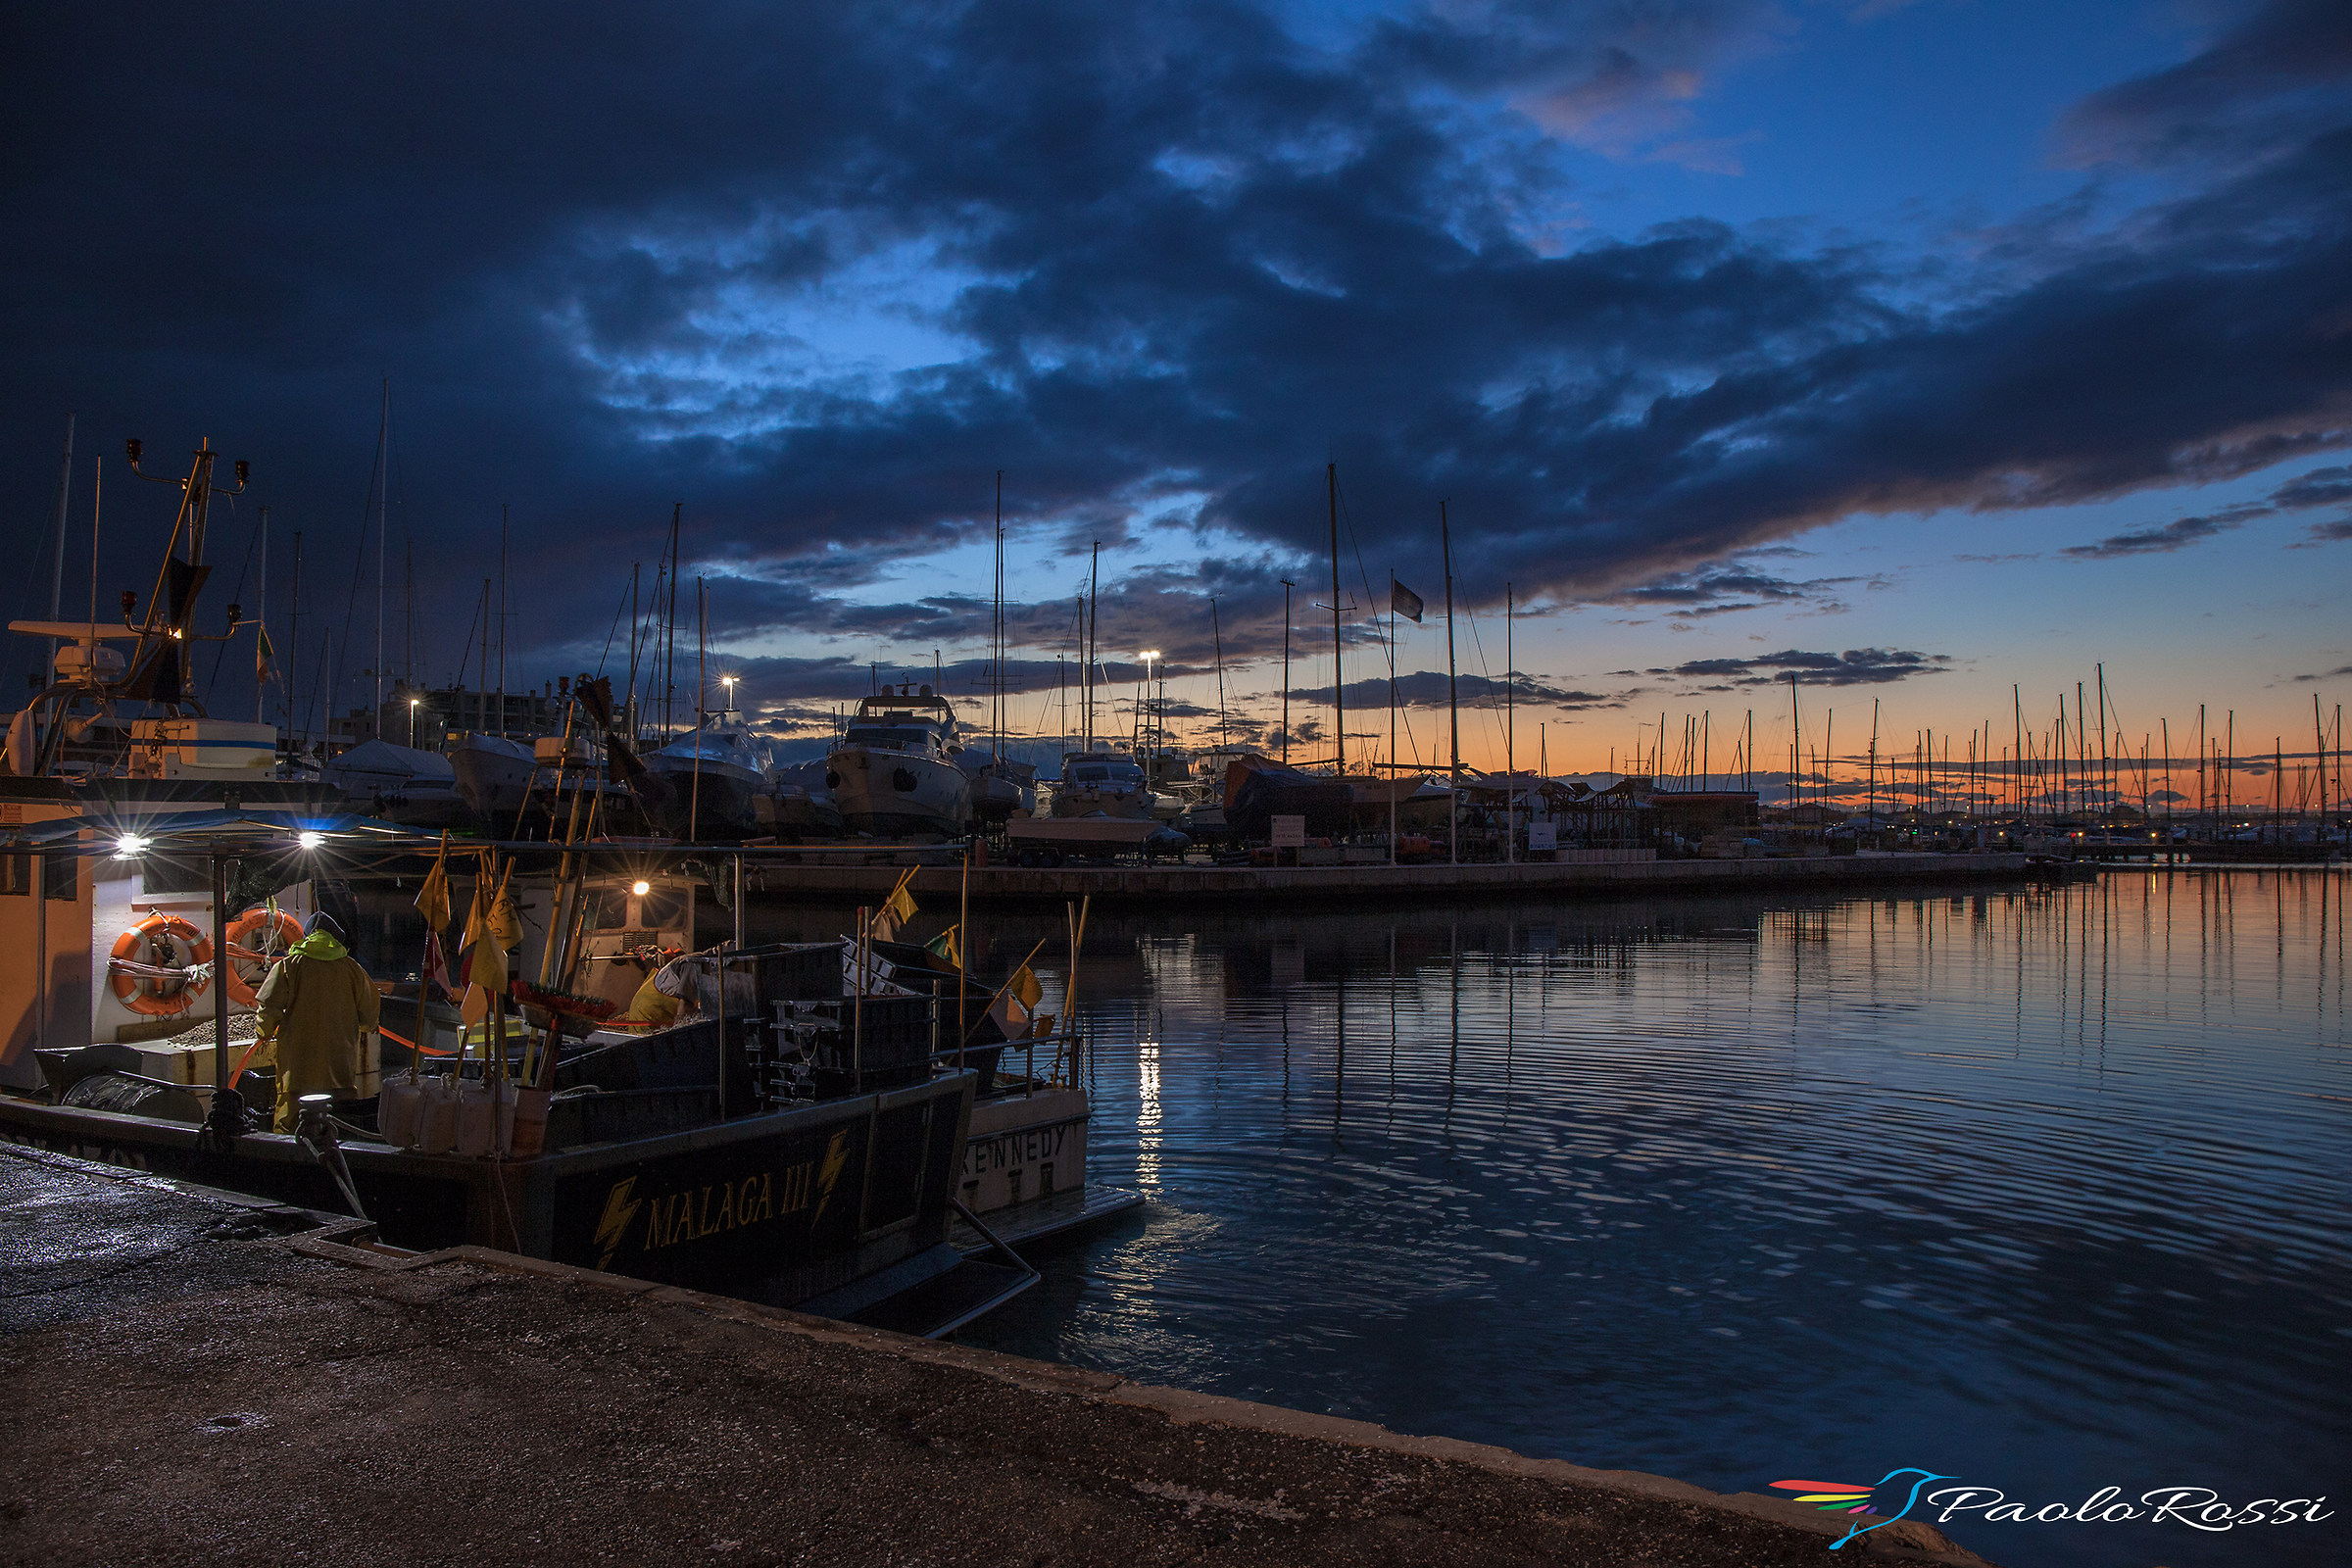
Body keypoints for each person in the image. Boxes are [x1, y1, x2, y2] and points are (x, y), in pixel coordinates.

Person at [254, 911, 381, 1133]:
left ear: (306, 937)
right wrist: (365, 1026)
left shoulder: (289, 965)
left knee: (292, 1128)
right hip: (340, 1072)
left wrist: (263, 1032)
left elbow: (269, 1005)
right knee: (340, 1125)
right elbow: (370, 1014)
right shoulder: (352, 969)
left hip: (297, 1073)